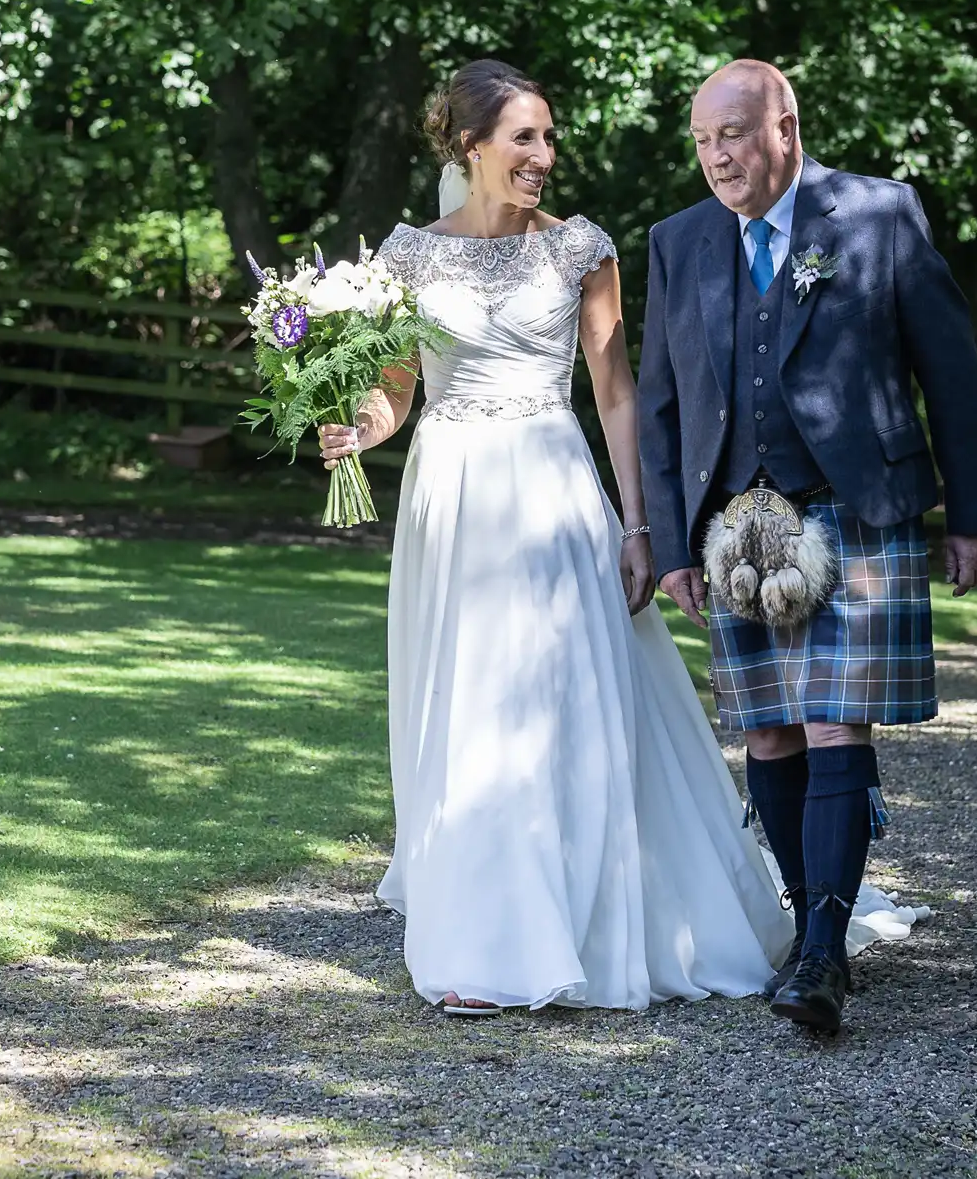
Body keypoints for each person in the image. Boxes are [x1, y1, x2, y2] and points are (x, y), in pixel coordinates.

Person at [317, 59, 789, 1013]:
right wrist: (354, 429)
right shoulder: (408, 256)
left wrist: (642, 524)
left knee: (561, 697)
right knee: (471, 707)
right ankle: (486, 936)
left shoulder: (582, 248)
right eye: (524, 138)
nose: (544, 155)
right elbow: (399, 393)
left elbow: (617, 396)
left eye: (548, 136)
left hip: (555, 491)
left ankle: (591, 913)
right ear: (471, 146)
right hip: (452, 498)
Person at [637, 59, 977, 1033]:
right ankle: (811, 932)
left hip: (859, 507)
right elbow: (661, 406)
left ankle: (821, 958)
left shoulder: (876, 214)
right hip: (738, 531)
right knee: (768, 732)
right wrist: (673, 541)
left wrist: (972, 513)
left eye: (734, 134)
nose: (716, 156)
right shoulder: (677, 242)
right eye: (702, 140)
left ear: (784, 129)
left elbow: (950, 372)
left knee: (838, 720)